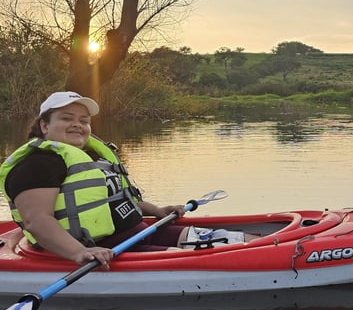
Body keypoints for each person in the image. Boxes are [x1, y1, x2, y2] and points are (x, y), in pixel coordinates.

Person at [0, 91, 253, 268]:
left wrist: (158, 210)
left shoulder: (89, 157)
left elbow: (118, 197)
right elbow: (36, 221)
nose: (78, 125)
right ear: (44, 126)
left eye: (83, 121)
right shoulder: (37, 164)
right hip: (113, 251)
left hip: (142, 233)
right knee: (222, 255)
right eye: (66, 118)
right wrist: (80, 252)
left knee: (234, 240)